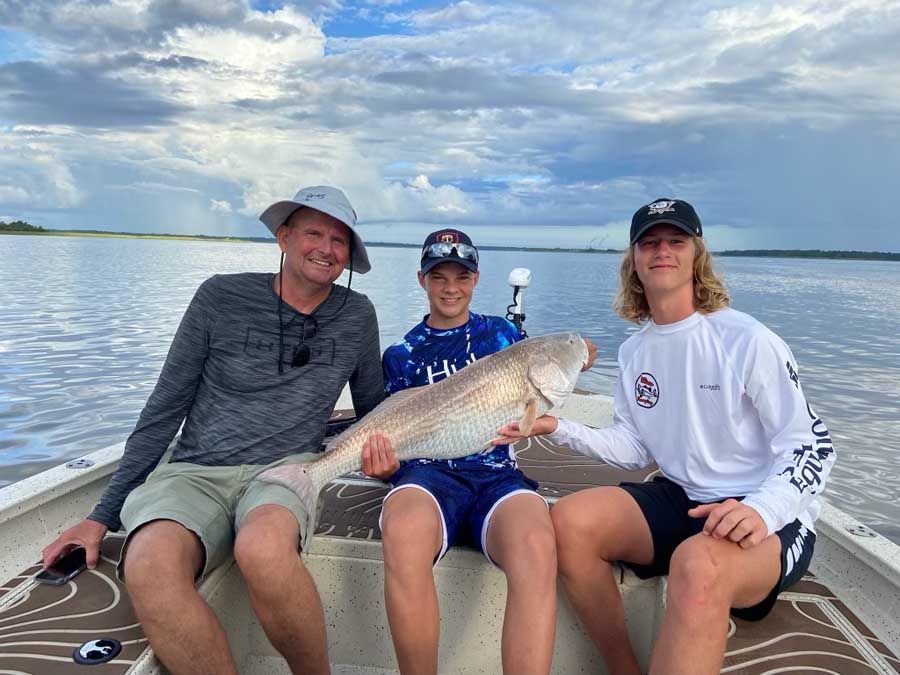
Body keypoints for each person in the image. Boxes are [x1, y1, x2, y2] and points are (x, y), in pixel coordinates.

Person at [41, 186, 384, 675]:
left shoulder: (356, 315)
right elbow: (165, 407)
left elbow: (375, 410)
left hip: (285, 472)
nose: (326, 249)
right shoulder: (220, 296)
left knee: (262, 549)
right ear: (284, 237)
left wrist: (412, 461)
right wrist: (101, 515)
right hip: (194, 471)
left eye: (339, 240)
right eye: (314, 233)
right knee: (149, 565)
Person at [493, 198, 836, 675]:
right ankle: (623, 667)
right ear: (633, 259)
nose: (662, 251)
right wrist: (558, 427)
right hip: (684, 497)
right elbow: (633, 445)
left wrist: (761, 509)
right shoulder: (636, 350)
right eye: (649, 242)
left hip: (767, 515)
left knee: (697, 566)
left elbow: (813, 444)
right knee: (568, 523)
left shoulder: (746, 340)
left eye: (676, 240)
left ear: (697, 254)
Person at [360, 229, 594, 675]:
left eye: (462, 276)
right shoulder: (401, 354)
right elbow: (394, 433)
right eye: (439, 276)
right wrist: (380, 464)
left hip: (495, 475)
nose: (451, 287)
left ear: (476, 278)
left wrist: (580, 353)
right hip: (426, 475)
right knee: (404, 532)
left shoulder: (504, 335)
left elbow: (575, 354)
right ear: (421, 280)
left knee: (537, 543)